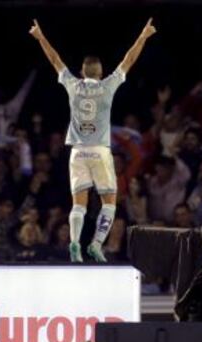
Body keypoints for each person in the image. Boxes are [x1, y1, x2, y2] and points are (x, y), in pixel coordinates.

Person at [29, 17, 157, 262]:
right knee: (109, 202)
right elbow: (128, 60)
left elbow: (55, 60)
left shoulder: (73, 85)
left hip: (77, 152)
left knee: (79, 204)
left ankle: (75, 243)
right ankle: (97, 244)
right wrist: (143, 35)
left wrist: (40, 36)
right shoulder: (108, 85)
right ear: (100, 72)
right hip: (99, 150)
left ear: (82, 72)